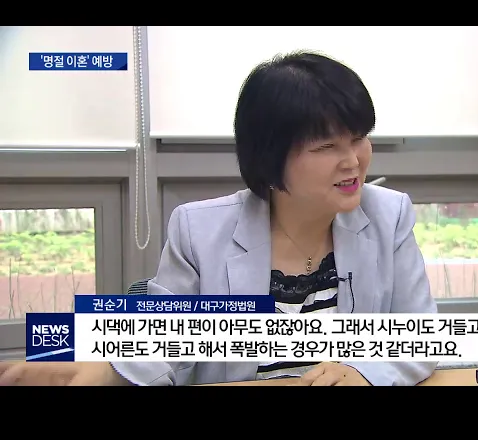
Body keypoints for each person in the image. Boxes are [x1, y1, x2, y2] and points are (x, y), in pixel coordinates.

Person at [0, 51, 438, 386]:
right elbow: (163, 342)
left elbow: (421, 338)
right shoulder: (199, 231)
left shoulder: (389, 215)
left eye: (359, 139)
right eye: (327, 147)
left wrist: (364, 370)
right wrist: (106, 370)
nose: (353, 161)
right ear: (270, 157)